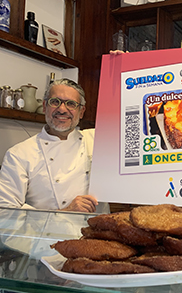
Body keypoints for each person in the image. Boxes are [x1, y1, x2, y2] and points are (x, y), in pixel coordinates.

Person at [0, 78, 108, 213]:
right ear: (45, 106)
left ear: (81, 112)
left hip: (98, 232)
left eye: (71, 104)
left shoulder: (101, 140)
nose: (62, 109)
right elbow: (6, 211)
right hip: (48, 233)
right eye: (55, 102)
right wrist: (65, 211)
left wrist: (122, 69)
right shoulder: (19, 154)